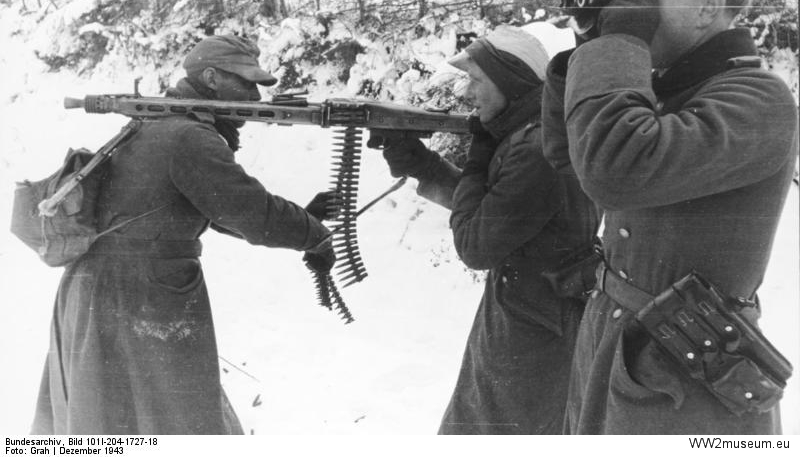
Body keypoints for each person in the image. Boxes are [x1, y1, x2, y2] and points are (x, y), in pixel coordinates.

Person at [553, 0, 798, 434]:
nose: (633, 8)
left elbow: (613, 169)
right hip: (615, 347)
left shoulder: (760, 101)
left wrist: (618, 45)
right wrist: (594, 47)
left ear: (709, 6)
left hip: (684, 378)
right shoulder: (664, 91)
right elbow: (568, 158)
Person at [32, 34, 337, 434]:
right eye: (246, 83)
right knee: (174, 419)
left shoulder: (157, 122)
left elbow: (211, 204)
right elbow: (249, 211)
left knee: (114, 418)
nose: (255, 96)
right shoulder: (189, 135)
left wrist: (301, 220)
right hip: (136, 292)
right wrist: (315, 235)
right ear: (211, 78)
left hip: (102, 287)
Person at [382, 25, 600, 434]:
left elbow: (475, 245)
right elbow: (498, 216)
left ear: (509, 83)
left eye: (477, 80)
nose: (468, 92)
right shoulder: (530, 135)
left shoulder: (535, 150)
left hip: (536, 327)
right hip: (531, 309)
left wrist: (479, 155)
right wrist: (425, 167)